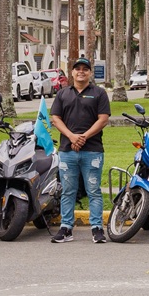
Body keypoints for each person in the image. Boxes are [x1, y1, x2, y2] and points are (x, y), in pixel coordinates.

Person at [48, 57, 111, 243]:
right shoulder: (63, 94)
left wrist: (83, 137)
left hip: (92, 151)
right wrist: (72, 137)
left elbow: (103, 119)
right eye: (77, 69)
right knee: (68, 190)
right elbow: (55, 118)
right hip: (67, 150)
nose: (81, 71)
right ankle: (66, 228)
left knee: (93, 190)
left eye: (85, 69)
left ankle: (97, 228)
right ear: (72, 72)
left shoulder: (99, 93)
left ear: (90, 73)